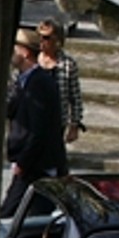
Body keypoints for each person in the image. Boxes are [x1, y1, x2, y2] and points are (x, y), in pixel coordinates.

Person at [4, 28, 65, 216]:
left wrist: (23, 162)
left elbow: (38, 129)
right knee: (14, 213)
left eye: (14, 48)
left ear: (24, 52)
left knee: (11, 215)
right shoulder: (24, 80)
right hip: (30, 164)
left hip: (37, 166)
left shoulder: (39, 83)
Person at [39, 17, 83, 175]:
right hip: (34, 120)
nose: (41, 41)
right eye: (39, 36)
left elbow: (75, 97)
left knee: (57, 164)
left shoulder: (67, 64)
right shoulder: (33, 61)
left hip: (57, 121)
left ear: (57, 39)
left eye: (46, 37)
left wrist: (74, 125)